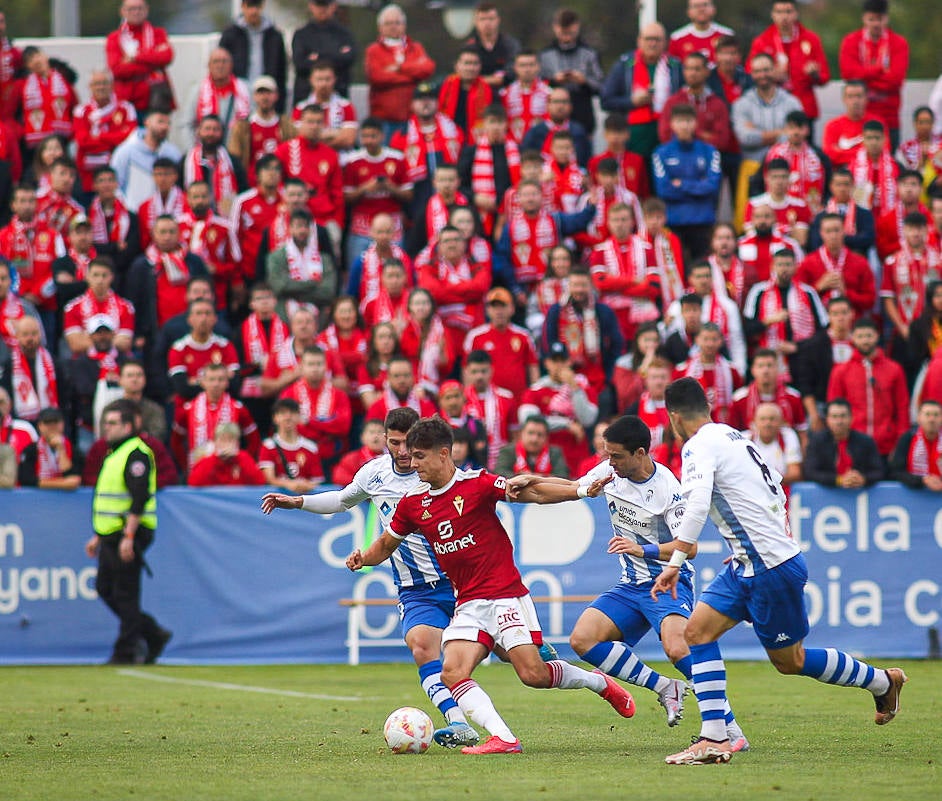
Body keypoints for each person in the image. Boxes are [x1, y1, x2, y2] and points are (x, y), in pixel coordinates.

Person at [344, 416, 637, 754]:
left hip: (504, 595)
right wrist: (363, 558)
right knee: (452, 673)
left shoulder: (476, 484)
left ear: (443, 454)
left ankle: (598, 682)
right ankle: (504, 738)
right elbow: (386, 543)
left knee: (533, 675)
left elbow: (532, 492)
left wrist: (580, 489)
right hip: (467, 603)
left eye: (420, 456)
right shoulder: (413, 504)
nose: (413, 463)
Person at [651, 378, 905, 765]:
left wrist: (674, 563)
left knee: (791, 662)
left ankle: (883, 682)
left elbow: (697, 505)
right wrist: (756, 542)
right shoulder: (734, 436)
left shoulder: (698, 445)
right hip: (749, 563)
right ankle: (715, 737)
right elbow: (775, 491)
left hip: (767, 568)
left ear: (673, 417)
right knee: (695, 632)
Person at [509, 414, 747, 745]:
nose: (610, 463)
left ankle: (731, 729)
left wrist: (642, 548)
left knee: (678, 647)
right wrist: (532, 480)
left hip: (666, 582)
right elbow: (573, 488)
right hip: (630, 585)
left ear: (640, 453)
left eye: (617, 456)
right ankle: (665, 687)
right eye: (608, 455)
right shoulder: (610, 473)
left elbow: (688, 549)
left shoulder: (667, 488)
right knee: (583, 640)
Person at [262, 408, 482, 749]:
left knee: (521, 660)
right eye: (394, 443)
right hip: (416, 589)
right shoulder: (375, 473)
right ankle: (457, 722)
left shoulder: (436, 472)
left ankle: (557, 662)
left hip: (460, 579)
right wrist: (298, 501)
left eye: (409, 443)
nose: (403, 452)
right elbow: (341, 499)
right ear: (386, 441)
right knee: (423, 648)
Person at [85, 399, 172, 665]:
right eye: (105, 423)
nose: (106, 428)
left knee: (125, 592)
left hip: (128, 532)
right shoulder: (116, 452)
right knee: (105, 588)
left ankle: (126, 650)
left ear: (128, 425)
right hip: (112, 533)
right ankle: (152, 633)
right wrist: (99, 536)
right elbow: (114, 500)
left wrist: (129, 536)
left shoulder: (136, 453)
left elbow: (139, 497)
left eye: (112, 423)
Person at [827, 317, 909, 458]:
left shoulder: (894, 369)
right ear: (853, 338)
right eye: (860, 336)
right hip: (852, 445)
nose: (865, 340)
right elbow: (834, 407)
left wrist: (900, 443)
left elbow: (902, 408)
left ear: (877, 336)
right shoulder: (840, 371)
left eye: (869, 335)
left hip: (887, 445)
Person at [601, 22, 682, 161]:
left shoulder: (675, 66)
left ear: (665, 42)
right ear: (639, 41)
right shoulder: (624, 65)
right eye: (648, 39)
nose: (652, 44)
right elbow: (606, 100)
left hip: (667, 137)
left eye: (657, 39)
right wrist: (631, 101)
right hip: (633, 141)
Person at [652, 103, 722, 263]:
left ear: (695, 123)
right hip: (673, 222)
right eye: (680, 121)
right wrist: (698, 185)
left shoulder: (710, 151)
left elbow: (712, 187)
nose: (684, 125)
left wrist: (681, 184)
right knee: (675, 271)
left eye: (688, 121)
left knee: (703, 271)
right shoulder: (661, 153)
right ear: (672, 124)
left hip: (703, 221)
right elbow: (663, 190)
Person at [838, 0, 908, 151]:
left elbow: (895, 80)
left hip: (889, 116)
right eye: (871, 19)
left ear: (886, 18)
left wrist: (864, 79)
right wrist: (878, 71)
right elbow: (848, 74)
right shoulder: (851, 41)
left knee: (887, 161)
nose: (876, 24)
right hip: (860, 117)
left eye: (880, 19)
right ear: (863, 18)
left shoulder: (898, 43)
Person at [747, 0, 829, 130]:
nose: (784, 17)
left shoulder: (811, 39)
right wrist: (770, 75)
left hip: (804, 108)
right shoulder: (762, 41)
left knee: (804, 149)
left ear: (796, 13)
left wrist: (815, 74)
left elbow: (825, 77)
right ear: (772, 15)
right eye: (779, 12)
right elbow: (750, 74)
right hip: (772, 109)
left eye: (788, 11)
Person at [364, 4, 435, 141]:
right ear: (380, 27)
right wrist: (412, 75)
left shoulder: (416, 48)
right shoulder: (374, 50)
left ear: (404, 25)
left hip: (413, 117)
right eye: (388, 23)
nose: (393, 26)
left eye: (397, 23)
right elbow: (377, 77)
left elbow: (427, 69)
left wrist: (399, 68)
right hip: (384, 119)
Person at [463, 287, 539, 399]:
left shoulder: (523, 336)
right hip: (487, 400)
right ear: (488, 310)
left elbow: (532, 367)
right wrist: (470, 398)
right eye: (494, 307)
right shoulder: (475, 336)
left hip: (518, 399)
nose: (499, 311)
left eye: (503, 306)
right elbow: (467, 370)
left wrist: (533, 396)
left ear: (512, 308)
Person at [794, 295, 856, 433]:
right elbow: (805, 384)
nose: (840, 318)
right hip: (822, 404)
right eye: (835, 313)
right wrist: (814, 414)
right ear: (828, 316)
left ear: (852, 314)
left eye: (844, 313)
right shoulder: (815, 345)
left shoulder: (860, 344)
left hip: (856, 404)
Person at [796, 212, 876, 318]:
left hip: (852, 326)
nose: (833, 235)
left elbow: (870, 300)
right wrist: (818, 287)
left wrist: (846, 293)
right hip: (819, 325)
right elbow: (797, 299)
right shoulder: (808, 262)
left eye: (836, 230)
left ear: (844, 231)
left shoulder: (860, 262)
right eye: (828, 231)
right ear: (821, 233)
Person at [73, 71, 139, 195]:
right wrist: (113, 141)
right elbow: (82, 142)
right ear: (90, 87)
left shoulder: (125, 108)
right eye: (97, 84)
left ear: (112, 85)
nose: (101, 87)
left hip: (120, 174)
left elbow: (130, 139)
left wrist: (98, 137)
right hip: (88, 177)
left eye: (104, 83)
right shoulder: (81, 111)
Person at [266, 209, 338, 321]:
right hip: (285, 316)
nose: (302, 230)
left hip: (319, 318)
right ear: (290, 229)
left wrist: (292, 291)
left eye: (306, 226)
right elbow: (279, 288)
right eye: (298, 226)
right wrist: (313, 284)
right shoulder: (276, 257)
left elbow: (328, 292)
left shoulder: (324, 259)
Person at [106, 0, 174, 115]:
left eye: (140, 8)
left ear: (147, 10)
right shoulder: (115, 38)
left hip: (156, 99)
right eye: (131, 9)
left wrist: (135, 57)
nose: (136, 12)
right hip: (127, 100)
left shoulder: (158, 34)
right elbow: (117, 69)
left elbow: (166, 57)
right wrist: (152, 61)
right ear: (122, 11)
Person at [218, 0, 287, 112]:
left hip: (266, 93)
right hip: (238, 93)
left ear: (262, 6)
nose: (253, 11)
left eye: (257, 6)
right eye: (249, 6)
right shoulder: (230, 34)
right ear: (242, 6)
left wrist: (280, 105)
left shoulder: (274, 35)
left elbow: (281, 72)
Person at [110, 109, 182, 212]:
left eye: (168, 123)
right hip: (134, 214)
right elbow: (116, 187)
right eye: (160, 121)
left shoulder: (173, 153)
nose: (165, 127)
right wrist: (127, 211)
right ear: (147, 122)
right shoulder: (125, 152)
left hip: (166, 217)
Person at [803, 397, 884, 487]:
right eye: (834, 417)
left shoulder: (866, 441)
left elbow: (879, 471)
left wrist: (864, 479)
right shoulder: (817, 441)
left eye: (843, 416)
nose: (839, 422)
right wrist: (838, 480)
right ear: (827, 420)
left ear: (852, 418)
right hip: (826, 496)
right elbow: (810, 472)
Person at [290, 0, 357, 104]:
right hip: (306, 97)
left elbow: (350, 58)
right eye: (319, 5)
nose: (322, 10)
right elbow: (300, 64)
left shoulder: (344, 34)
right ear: (311, 6)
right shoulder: (301, 34)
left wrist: (317, 56)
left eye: (326, 5)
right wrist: (335, 54)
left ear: (334, 6)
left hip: (338, 96)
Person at [16, 406, 82, 490]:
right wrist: (64, 484)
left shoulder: (74, 450)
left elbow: (74, 478)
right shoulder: (31, 450)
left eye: (55, 422)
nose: (52, 426)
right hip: (36, 499)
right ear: (39, 425)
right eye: (47, 422)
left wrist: (61, 449)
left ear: (63, 424)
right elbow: (26, 479)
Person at [187, 421, 267, 487]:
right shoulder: (208, 459)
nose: (225, 444)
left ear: (237, 443)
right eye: (222, 439)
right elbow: (193, 482)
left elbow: (260, 482)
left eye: (230, 440)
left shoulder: (243, 457)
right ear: (215, 442)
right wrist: (215, 458)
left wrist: (238, 457)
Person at [821, 80, 876, 169]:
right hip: (841, 177)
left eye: (859, 96)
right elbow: (829, 155)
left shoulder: (876, 124)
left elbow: (882, 153)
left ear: (866, 98)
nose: (855, 101)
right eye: (850, 97)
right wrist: (866, 153)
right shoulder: (832, 125)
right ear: (844, 99)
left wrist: (841, 152)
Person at [464, 2, 520, 89]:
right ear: (475, 22)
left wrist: (477, 80)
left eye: (491, 19)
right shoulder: (470, 47)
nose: (487, 23)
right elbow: (465, 75)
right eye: (482, 19)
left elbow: (512, 73)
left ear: (498, 20)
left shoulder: (509, 45)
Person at [495, 414, 568, 478]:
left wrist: (536, 478)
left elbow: (562, 476)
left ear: (547, 437)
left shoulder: (555, 453)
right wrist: (523, 478)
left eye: (540, 435)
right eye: (530, 433)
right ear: (521, 433)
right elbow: (499, 473)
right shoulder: (508, 451)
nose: (534, 439)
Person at [890, 399, 942, 490]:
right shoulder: (907, 439)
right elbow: (896, 471)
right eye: (927, 415)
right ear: (918, 418)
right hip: (913, 494)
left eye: (936, 415)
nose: (932, 419)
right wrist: (922, 480)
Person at [331, 417, 386, 486]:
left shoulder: (393, 458)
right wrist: (368, 484)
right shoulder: (351, 458)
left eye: (380, 432)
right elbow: (339, 477)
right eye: (371, 432)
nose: (376, 436)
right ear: (362, 438)